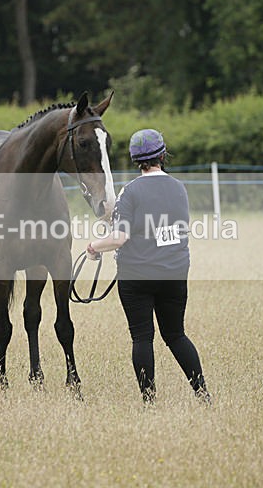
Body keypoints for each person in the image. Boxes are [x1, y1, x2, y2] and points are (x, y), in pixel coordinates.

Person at [86, 129, 211, 404]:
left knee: (142, 338)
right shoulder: (179, 188)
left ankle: (149, 401)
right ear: (163, 155)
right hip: (175, 273)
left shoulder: (129, 192)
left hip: (136, 276)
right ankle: (203, 394)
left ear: (135, 160)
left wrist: (94, 246)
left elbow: (119, 237)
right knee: (176, 334)